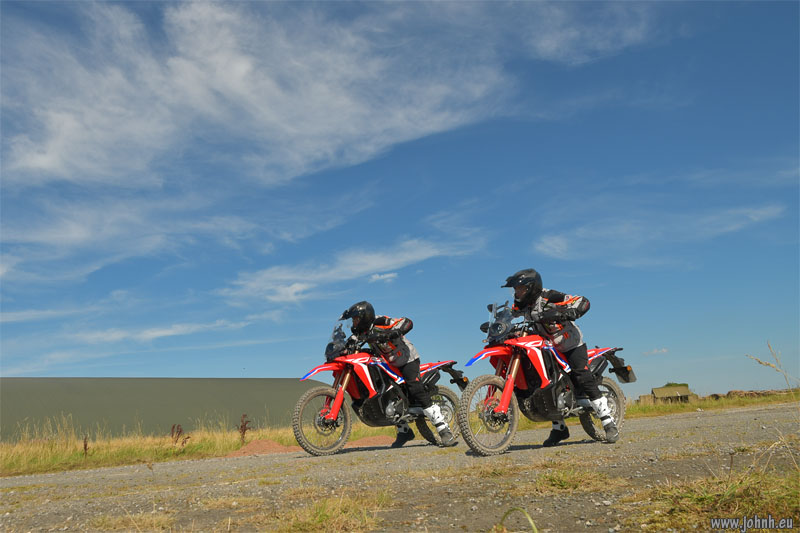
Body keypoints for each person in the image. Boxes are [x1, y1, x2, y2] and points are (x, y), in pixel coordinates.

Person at [502, 268, 619, 445]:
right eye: (515, 290)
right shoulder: (521, 305)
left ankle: (608, 422)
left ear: (531, 287)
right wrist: (498, 324)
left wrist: (570, 312)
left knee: (582, 375)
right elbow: (510, 315)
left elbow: (582, 301)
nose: (517, 293)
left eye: (519, 289)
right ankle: (560, 429)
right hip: (547, 346)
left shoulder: (550, 296)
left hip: (570, 344)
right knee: (546, 384)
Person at [339, 301, 458, 448]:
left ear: (364, 317)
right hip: (389, 363)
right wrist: (341, 349)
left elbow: (407, 322)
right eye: (353, 320)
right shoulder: (359, 333)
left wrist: (395, 331)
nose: (354, 322)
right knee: (388, 395)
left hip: (407, 359)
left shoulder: (381, 321)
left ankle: (443, 429)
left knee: (415, 388)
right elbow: (350, 343)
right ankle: (405, 432)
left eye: (356, 319)